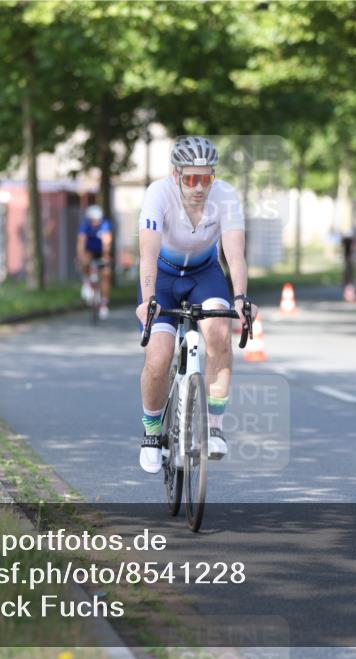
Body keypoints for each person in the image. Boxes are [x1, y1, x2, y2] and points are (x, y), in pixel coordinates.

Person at [134, 136, 257, 474]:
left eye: (206, 178)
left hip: (205, 274)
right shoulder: (158, 194)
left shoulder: (226, 196)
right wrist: (148, 301)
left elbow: (234, 253)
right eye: (191, 179)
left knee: (219, 334)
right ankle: (152, 431)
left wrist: (241, 297)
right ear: (176, 175)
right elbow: (147, 255)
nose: (200, 186)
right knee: (158, 357)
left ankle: (214, 427)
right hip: (162, 276)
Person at [77, 204, 113, 319]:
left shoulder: (105, 224)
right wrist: (80, 256)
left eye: (97, 220)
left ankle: (104, 304)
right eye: (93, 220)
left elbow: (107, 241)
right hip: (90, 250)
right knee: (84, 260)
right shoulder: (85, 225)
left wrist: (106, 255)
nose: (95, 223)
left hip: (101, 251)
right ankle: (86, 282)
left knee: (106, 274)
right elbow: (81, 241)